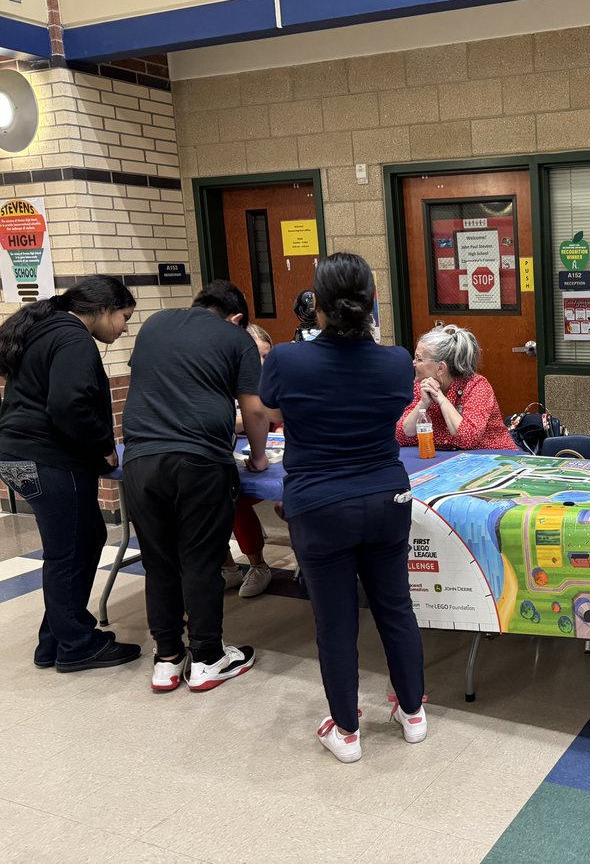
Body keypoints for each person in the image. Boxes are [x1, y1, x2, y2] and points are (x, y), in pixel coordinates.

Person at [260, 252, 426, 763]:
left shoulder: (286, 359)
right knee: (395, 607)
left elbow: (269, 408)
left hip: (319, 505)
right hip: (386, 498)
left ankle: (348, 733)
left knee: (335, 621)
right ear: (373, 302)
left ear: (317, 305)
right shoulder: (397, 361)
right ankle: (414, 714)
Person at [121, 280, 270, 693]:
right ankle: (207, 658)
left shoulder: (155, 324)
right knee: (200, 559)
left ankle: (167, 659)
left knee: (159, 560)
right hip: (199, 461)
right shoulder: (235, 338)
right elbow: (254, 409)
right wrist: (258, 458)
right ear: (237, 318)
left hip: (140, 460)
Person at [0, 276, 140, 672]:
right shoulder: (74, 338)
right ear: (103, 309)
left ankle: (55, 640)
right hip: (47, 457)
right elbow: (69, 405)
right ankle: (77, 645)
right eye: (123, 318)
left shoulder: (43, 329)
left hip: (15, 454)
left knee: (82, 538)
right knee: (70, 549)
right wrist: (104, 446)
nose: (124, 328)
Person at [396, 324, 517, 451]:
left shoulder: (476, 386)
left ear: (441, 368)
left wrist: (442, 400)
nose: (413, 363)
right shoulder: (420, 385)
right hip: (443, 460)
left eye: (419, 359)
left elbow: (466, 438)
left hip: (493, 459)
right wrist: (423, 403)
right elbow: (401, 436)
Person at [222, 323, 275, 598]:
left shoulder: (275, 381)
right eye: (256, 356)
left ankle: (258, 565)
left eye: (266, 356)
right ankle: (230, 568)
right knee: (222, 497)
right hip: (236, 464)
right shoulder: (226, 381)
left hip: (275, 468)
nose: (261, 363)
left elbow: (270, 417)